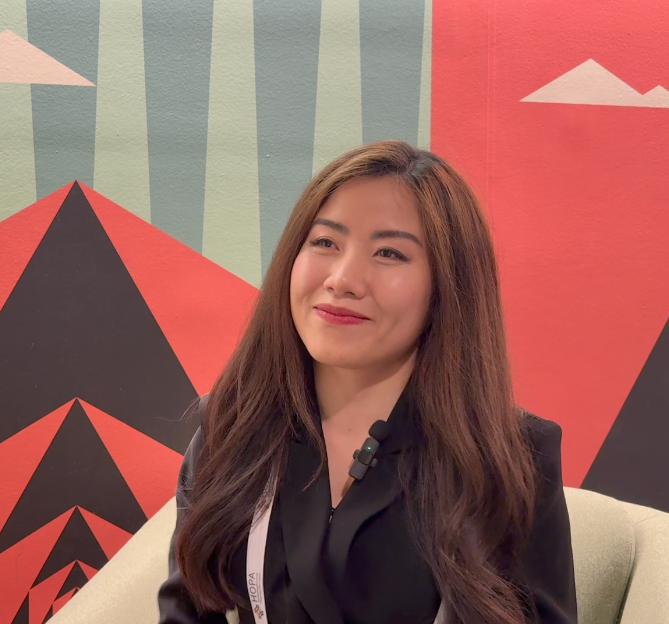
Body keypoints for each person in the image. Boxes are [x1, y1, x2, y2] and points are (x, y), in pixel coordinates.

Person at [157, 141, 578, 624]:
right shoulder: (232, 425)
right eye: (325, 243)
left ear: (448, 287)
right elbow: (189, 609)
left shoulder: (513, 456)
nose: (343, 279)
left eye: (389, 253)